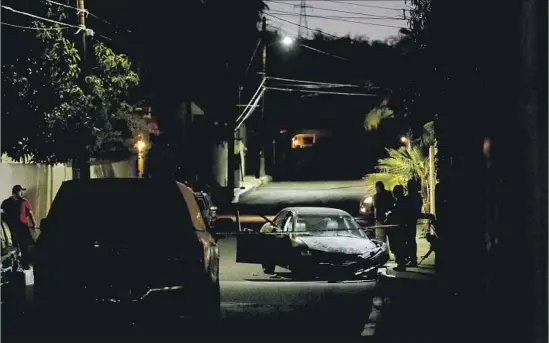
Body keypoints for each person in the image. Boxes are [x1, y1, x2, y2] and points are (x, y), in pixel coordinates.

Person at [1, 185, 36, 270]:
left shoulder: (24, 202)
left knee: (26, 245)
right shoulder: (7, 202)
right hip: (11, 228)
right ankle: (17, 263)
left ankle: (25, 263)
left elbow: (30, 214)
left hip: (22, 227)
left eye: (21, 191)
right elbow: (2, 213)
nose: (22, 193)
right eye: (20, 191)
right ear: (15, 193)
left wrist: (34, 224)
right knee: (15, 246)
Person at [386, 185, 408, 271]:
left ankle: (401, 264)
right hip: (397, 228)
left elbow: (399, 214)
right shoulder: (398, 201)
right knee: (397, 246)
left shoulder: (401, 202)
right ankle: (400, 263)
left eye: (395, 191)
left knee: (399, 246)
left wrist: (390, 215)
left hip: (399, 228)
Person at [405, 179, 423, 267]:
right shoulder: (416, 196)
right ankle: (411, 258)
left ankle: (412, 259)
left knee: (410, 240)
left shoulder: (413, 197)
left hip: (410, 220)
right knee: (410, 240)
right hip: (411, 219)